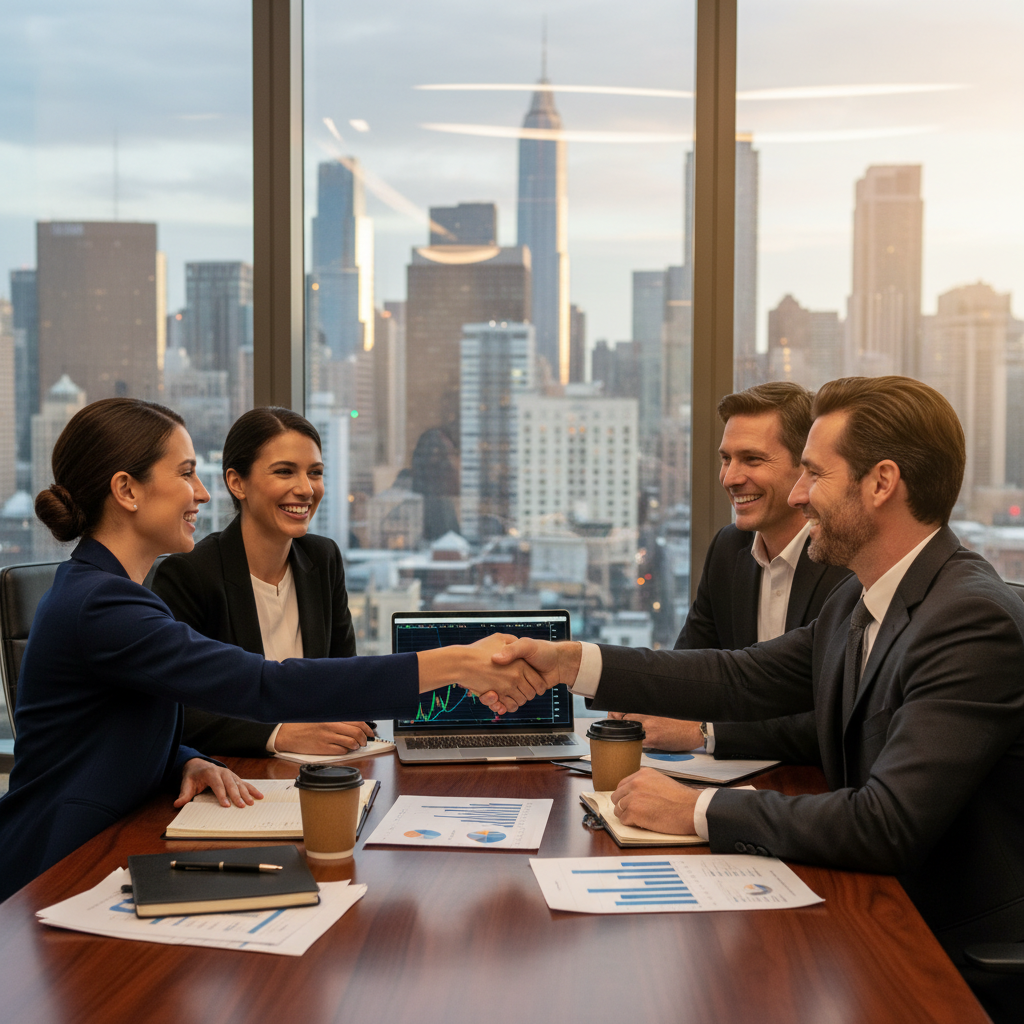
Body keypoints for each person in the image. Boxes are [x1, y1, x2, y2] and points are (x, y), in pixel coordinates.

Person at [496, 377, 1024, 1022]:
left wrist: (698, 808)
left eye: (814, 474)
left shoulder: (970, 618)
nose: (799, 496)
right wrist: (569, 663)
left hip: (947, 950)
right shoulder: (860, 602)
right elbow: (736, 677)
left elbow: (886, 825)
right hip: (874, 909)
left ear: (881, 483)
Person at [0, 398, 536, 902]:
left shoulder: (108, 594)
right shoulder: (103, 606)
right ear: (127, 490)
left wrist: (183, 760)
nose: (203, 494)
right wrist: (453, 663)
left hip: (111, 843)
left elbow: (115, 721)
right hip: (59, 864)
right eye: (186, 473)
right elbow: (264, 684)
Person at [611, 382, 849, 760]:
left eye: (752, 460)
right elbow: (691, 669)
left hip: (813, 788)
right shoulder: (729, 548)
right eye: (726, 459)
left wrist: (703, 733)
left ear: (804, 467)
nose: (730, 478)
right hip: (731, 777)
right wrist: (641, 702)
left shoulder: (845, 559)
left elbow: (833, 720)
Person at [151, 407, 373, 758]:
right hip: (237, 776)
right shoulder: (190, 574)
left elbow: (344, 682)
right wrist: (278, 734)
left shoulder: (323, 558)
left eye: (315, 473)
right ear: (237, 483)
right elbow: (174, 712)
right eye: (285, 472)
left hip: (322, 766)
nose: (305, 489)